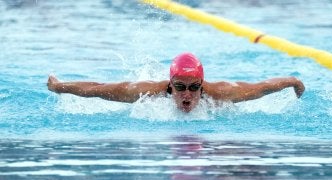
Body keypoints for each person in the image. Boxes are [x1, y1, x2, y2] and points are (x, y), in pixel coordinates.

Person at [47, 52, 305, 113]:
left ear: (202, 85)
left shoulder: (223, 94)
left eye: (194, 87)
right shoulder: (146, 92)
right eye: (180, 87)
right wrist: (59, 86)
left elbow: (264, 86)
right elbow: (99, 90)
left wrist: (292, 81)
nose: (188, 95)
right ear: (171, 85)